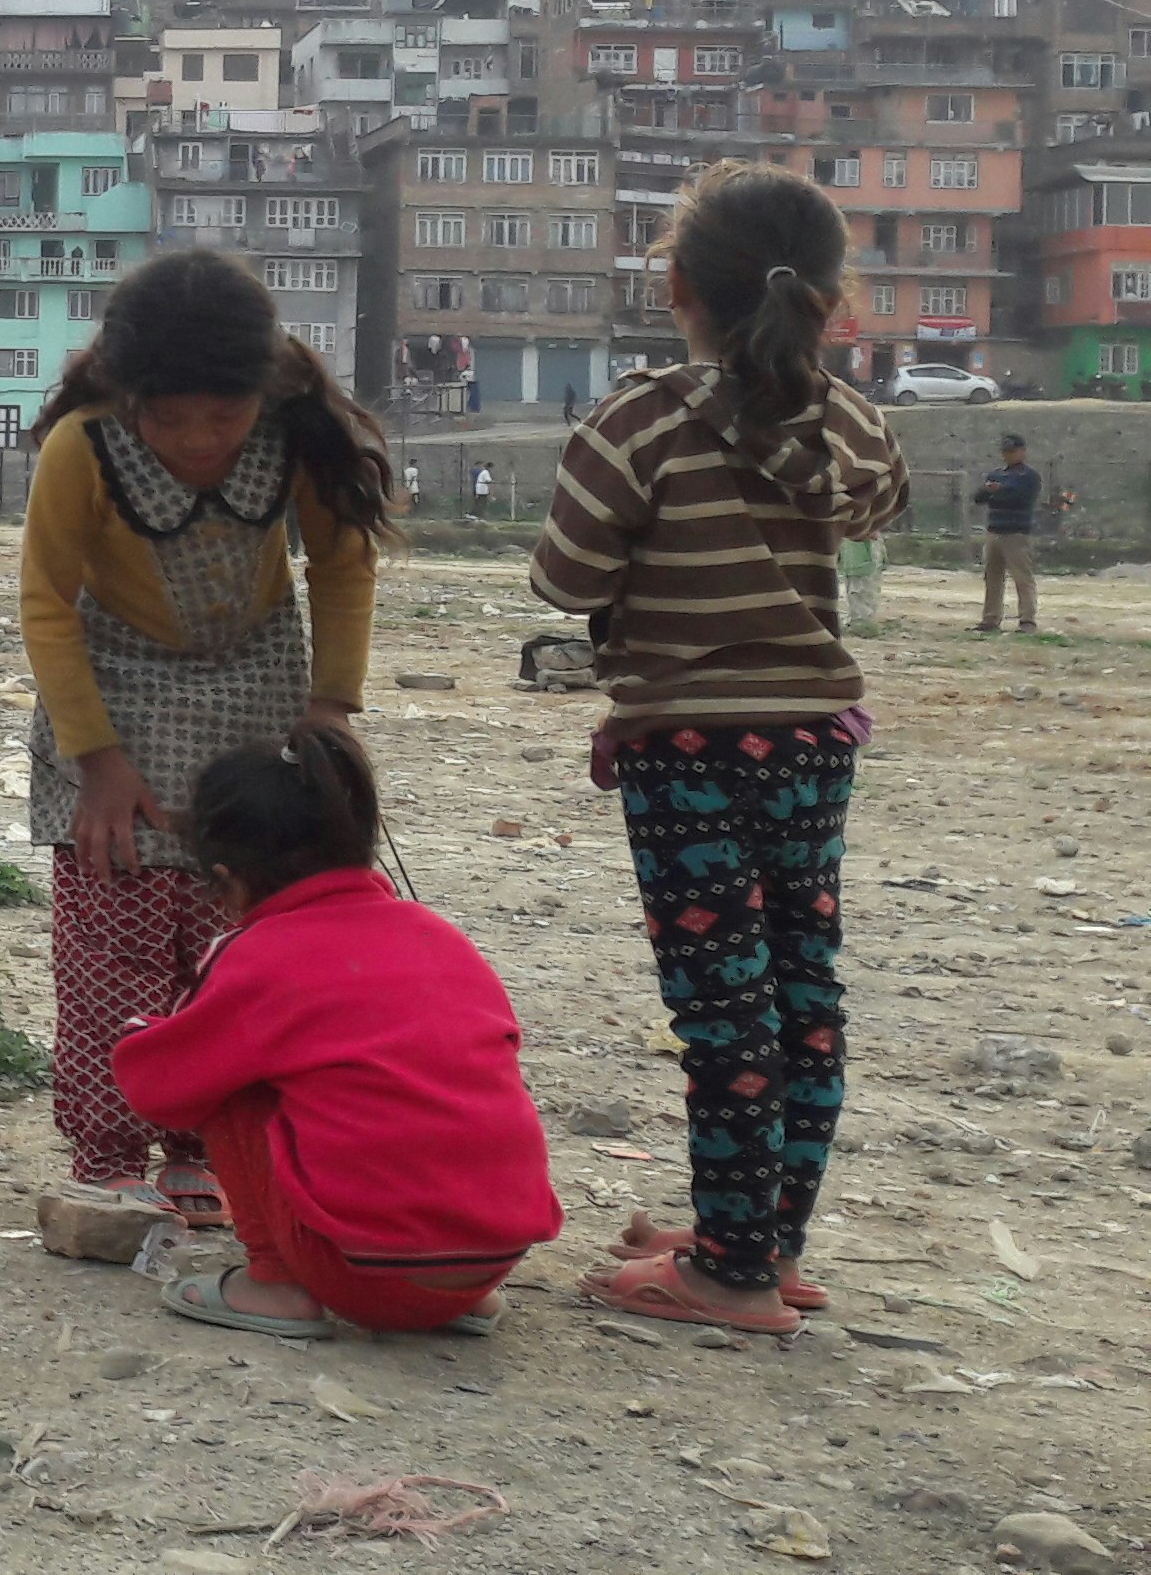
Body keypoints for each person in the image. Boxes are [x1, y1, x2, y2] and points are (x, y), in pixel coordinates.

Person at [532, 160, 905, 1335]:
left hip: (687, 751)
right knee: (802, 985)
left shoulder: (638, 420)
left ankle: (730, 1277)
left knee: (720, 1003)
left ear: (676, 286)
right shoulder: (846, 418)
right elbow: (877, 506)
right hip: (811, 744)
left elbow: (564, 576)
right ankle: (764, 1240)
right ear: (824, 298)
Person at [17, 249, 391, 1216]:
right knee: (117, 926)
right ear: (125, 391)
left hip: (259, 679)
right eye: (170, 417)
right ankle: (106, 1147)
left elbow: (342, 568)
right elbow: (47, 604)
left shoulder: (293, 430)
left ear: (260, 392)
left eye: (221, 418)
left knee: (238, 929)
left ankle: (203, 1139)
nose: (196, 439)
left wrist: (330, 711)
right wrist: (97, 760)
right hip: (113, 690)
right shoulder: (84, 447)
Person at [112, 723, 560, 1339]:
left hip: (361, 1274)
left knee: (233, 1082)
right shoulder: (439, 936)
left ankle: (273, 1283)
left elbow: (161, 1087)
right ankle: (457, 1298)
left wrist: (140, 1028)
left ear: (228, 878)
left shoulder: (257, 951)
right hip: (493, 1262)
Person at [974, 432, 1040, 633]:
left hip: (1016, 533)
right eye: (1006, 452)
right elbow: (978, 497)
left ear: (1022, 452)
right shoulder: (996, 474)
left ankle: (1027, 620)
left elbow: (1020, 496)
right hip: (995, 531)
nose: (1009, 456)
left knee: (1022, 577)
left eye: (1013, 451)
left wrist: (998, 492)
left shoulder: (1028, 476)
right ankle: (990, 619)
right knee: (992, 577)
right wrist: (994, 492)